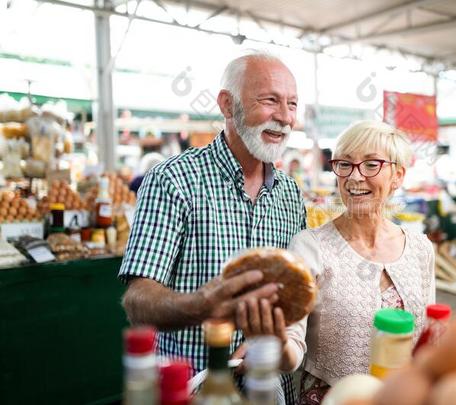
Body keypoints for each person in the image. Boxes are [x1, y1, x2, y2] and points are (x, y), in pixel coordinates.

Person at [118, 51, 306, 403]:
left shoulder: (291, 194)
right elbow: (137, 299)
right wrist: (204, 303)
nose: (284, 117)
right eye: (270, 101)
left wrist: (272, 337)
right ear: (226, 104)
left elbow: (291, 299)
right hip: (190, 389)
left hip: (266, 387)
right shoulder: (173, 180)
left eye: (292, 104)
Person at [259, 120, 436, 404]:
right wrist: (275, 340)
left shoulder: (420, 248)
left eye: (370, 165)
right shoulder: (310, 248)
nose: (354, 177)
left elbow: (427, 336)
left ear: (398, 175)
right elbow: (292, 347)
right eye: (345, 164)